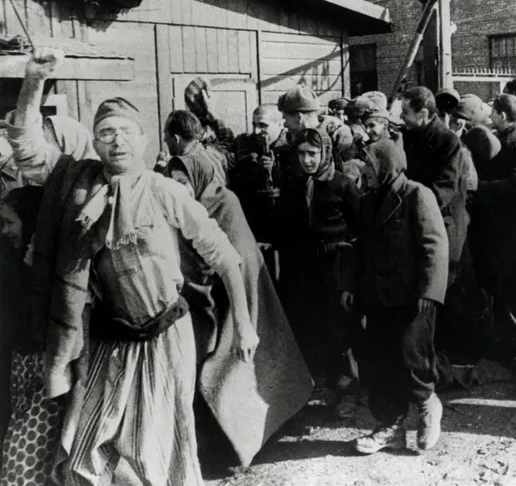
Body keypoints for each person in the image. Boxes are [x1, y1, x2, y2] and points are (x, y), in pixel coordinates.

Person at [7, 49, 258, 485]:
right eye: (106, 132)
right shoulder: (77, 184)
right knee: (90, 449)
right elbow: (27, 146)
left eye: (126, 131)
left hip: (164, 337)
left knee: (152, 451)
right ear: (95, 142)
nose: (117, 141)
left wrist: (245, 326)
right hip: (107, 338)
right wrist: (34, 80)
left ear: (144, 141)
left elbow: (225, 257)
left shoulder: (165, 191)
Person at [166, 152, 310, 467]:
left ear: (198, 180)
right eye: (171, 181)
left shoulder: (224, 203)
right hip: (203, 295)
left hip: (237, 294)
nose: (177, 188)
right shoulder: (178, 208)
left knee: (240, 367)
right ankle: (215, 442)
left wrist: (239, 317)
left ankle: (250, 435)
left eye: (183, 181)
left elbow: (239, 258)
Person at [342, 139, 448, 454]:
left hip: (411, 298)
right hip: (377, 297)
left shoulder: (417, 195)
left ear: (386, 165)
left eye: (370, 165)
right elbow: (359, 248)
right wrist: (349, 285)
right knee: (378, 361)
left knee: (410, 356)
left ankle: (428, 403)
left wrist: (430, 291)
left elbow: (434, 244)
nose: (365, 170)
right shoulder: (366, 201)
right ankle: (390, 426)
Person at [274, 127, 361, 412]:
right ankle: (317, 389)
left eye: (313, 153)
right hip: (303, 269)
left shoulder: (343, 185)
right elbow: (285, 228)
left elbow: (359, 232)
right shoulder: (293, 185)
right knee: (308, 326)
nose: (307, 160)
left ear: (325, 153)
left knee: (337, 329)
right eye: (301, 154)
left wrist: (350, 278)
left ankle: (345, 392)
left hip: (334, 268)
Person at [0, 187, 65, 486]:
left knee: (25, 460)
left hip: (46, 373)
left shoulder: (50, 271)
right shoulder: (10, 265)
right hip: (20, 368)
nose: (4, 232)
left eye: (9, 223)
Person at [469, 94, 516, 368]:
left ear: (502, 115)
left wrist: (479, 188)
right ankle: (505, 345)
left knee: (514, 289)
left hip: (513, 230)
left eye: (493, 113)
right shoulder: (498, 142)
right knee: (496, 287)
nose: (490, 118)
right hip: (493, 230)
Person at [401, 87, 467, 287]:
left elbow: (443, 190)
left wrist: (408, 210)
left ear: (422, 114)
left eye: (405, 112)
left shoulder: (448, 142)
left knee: (438, 286)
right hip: (413, 221)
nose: (401, 117)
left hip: (439, 225)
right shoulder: (406, 136)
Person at [230, 104, 289, 246]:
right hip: (254, 223)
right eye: (254, 125)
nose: (256, 131)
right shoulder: (244, 143)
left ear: (280, 124)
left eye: (263, 125)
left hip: (284, 223)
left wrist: (275, 169)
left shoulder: (291, 145)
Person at [162, 109, 228, 186]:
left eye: (166, 135)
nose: (164, 140)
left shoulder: (179, 165)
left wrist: (160, 165)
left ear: (177, 139)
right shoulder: (217, 155)